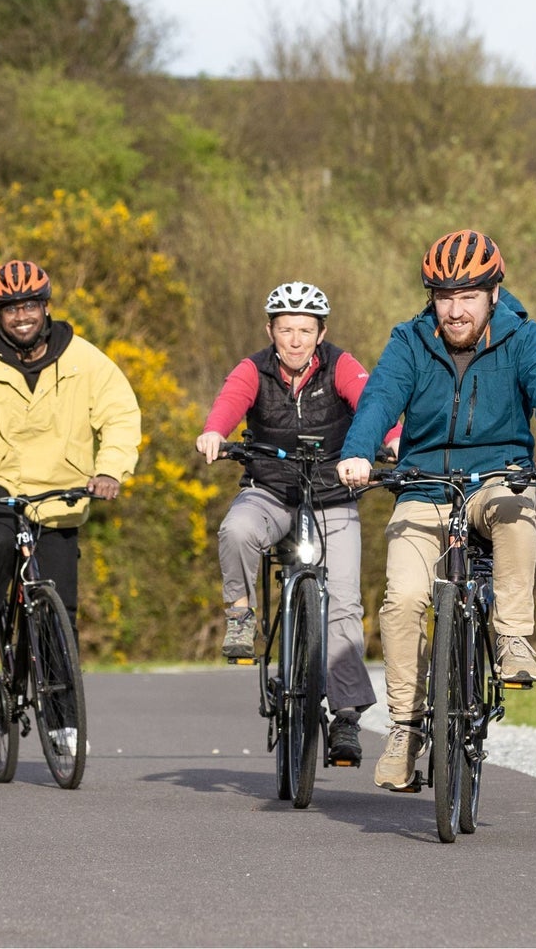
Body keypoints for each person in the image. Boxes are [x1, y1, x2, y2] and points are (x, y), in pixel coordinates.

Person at [336, 229, 536, 791]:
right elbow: (378, 400)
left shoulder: (523, 337)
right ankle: (404, 728)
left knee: (516, 510)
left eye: (468, 296)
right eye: (444, 296)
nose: (455, 309)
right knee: (401, 599)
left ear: (494, 294)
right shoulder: (410, 340)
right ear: (431, 298)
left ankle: (513, 639)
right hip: (423, 485)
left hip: (498, 476)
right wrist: (356, 453)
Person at [0, 259, 141, 755]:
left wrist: (110, 470)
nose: (21, 316)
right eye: (10, 308)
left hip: (57, 497)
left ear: (46, 306)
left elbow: (120, 415)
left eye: (29, 305)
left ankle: (63, 723)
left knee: (62, 614)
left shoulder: (86, 361)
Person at [195, 282, 393, 766]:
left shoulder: (342, 366)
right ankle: (242, 617)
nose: (296, 339)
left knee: (344, 603)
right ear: (271, 331)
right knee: (236, 530)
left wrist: (391, 440)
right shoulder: (253, 369)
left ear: (321, 332)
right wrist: (215, 432)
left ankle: (346, 717)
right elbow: (229, 401)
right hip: (270, 492)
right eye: (286, 330)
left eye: (306, 330)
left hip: (331, 496)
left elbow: (374, 404)